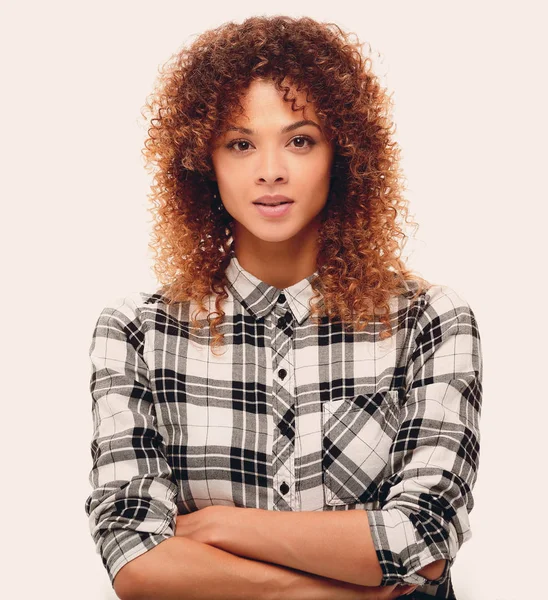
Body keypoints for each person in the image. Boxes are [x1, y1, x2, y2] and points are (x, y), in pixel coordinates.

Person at [85, 15, 482, 600]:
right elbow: (135, 560)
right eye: (240, 144)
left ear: (342, 154)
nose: (270, 170)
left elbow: (422, 539)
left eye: (300, 140)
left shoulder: (430, 319)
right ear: (204, 161)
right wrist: (333, 590)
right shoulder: (137, 331)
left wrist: (225, 526)